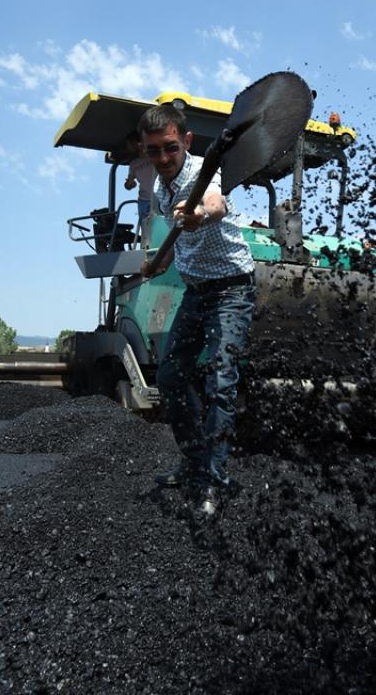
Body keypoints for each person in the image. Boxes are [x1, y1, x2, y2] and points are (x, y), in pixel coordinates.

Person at [137, 104, 256, 514]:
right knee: (170, 376)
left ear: (186, 141)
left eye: (170, 148)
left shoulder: (205, 170)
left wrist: (200, 214)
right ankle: (193, 463)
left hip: (231, 290)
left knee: (221, 382)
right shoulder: (159, 190)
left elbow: (216, 202)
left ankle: (214, 481)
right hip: (196, 292)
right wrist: (156, 263)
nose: (164, 158)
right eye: (154, 151)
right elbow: (177, 244)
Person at [122, 131, 156, 220]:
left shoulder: (154, 156)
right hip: (143, 200)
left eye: (129, 144)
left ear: (137, 143)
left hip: (158, 198)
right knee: (146, 229)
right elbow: (129, 184)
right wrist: (129, 184)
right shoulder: (133, 164)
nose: (128, 147)